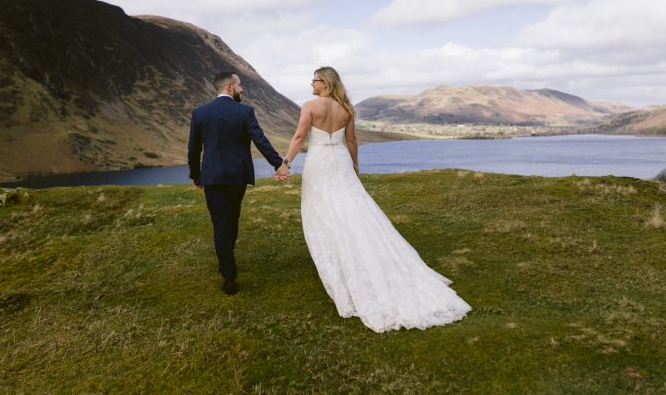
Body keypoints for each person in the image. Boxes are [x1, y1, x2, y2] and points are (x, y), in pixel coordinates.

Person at [277, 67, 471, 332]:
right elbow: (352, 140)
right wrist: (355, 165)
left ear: (325, 83)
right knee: (352, 209)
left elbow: (300, 136)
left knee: (323, 212)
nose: (311, 84)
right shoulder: (346, 108)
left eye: (314, 80)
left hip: (319, 163)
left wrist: (285, 163)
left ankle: (342, 262)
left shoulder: (310, 106)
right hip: (341, 161)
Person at [188, 71, 290, 295]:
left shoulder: (200, 113)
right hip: (237, 177)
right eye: (239, 85)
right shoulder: (245, 112)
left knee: (222, 222)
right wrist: (278, 164)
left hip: (213, 178)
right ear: (229, 88)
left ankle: (227, 271)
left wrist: (196, 174)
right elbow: (260, 140)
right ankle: (228, 269)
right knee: (231, 218)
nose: (242, 89)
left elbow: (194, 149)